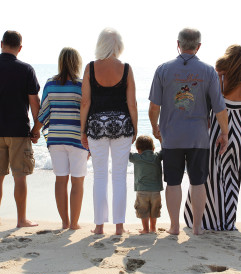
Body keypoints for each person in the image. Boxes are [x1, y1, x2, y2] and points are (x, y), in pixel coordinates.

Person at [149, 28, 228, 235]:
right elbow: (220, 108)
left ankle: (174, 227)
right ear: (198, 46)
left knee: (173, 182)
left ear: (178, 44)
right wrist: (225, 133)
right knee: (198, 182)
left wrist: (155, 128)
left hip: (172, 136)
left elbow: (153, 107)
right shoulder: (209, 71)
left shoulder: (163, 70)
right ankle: (196, 227)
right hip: (198, 137)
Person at [184, 45, 241, 230]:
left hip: (217, 130)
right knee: (233, 176)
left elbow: (204, 106)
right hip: (236, 133)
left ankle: (206, 221)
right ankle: (227, 222)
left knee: (209, 174)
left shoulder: (217, 78)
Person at [80, 28, 138, 235]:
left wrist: (82, 130)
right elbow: (132, 103)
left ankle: (98, 226)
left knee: (100, 176)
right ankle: (120, 227)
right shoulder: (126, 68)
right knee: (119, 176)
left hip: (96, 124)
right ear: (118, 46)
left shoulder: (90, 68)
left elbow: (85, 102)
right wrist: (135, 126)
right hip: (122, 124)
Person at [31, 47, 88, 230]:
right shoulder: (82, 85)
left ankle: (64, 222)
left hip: (55, 139)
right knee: (77, 180)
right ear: (77, 63)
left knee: (60, 180)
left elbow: (43, 112)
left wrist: (35, 131)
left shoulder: (50, 84)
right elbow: (88, 113)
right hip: (77, 140)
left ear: (60, 62)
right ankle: (74, 223)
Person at [0, 30, 40, 227]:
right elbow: (34, 102)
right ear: (20, 48)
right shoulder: (26, 69)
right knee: (19, 176)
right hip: (18, 130)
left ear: (1, 44)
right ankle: (21, 220)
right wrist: (37, 128)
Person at [129, 135, 163, 234]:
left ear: (138, 149)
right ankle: (153, 228)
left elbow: (127, 153)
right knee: (154, 211)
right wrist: (161, 139)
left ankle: (145, 229)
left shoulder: (136, 157)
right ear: (153, 148)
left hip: (142, 191)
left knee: (143, 210)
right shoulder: (157, 157)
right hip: (156, 191)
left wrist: (129, 141)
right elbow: (164, 150)